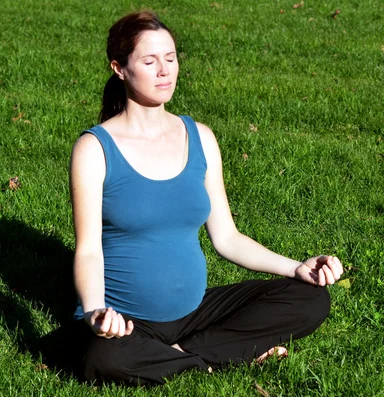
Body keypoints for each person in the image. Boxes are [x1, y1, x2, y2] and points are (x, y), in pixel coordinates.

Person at [68, 10, 344, 386]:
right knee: (103, 357)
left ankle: (180, 356)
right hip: (126, 321)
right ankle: (217, 356)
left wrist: (296, 267)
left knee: (311, 299)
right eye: (150, 61)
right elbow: (87, 250)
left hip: (196, 311)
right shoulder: (94, 148)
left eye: (171, 58)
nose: (165, 70)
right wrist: (96, 312)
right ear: (119, 68)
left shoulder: (200, 137)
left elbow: (227, 237)